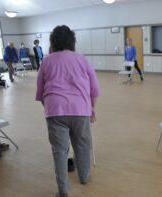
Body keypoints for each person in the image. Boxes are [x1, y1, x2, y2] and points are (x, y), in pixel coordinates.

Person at [35, 25, 100, 197]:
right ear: (72, 41)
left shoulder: (46, 61)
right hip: (81, 110)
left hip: (54, 111)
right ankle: (84, 177)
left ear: (53, 42)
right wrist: (91, 108)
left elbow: (41, 92)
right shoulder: (82, 59)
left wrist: (51, 108)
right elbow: (94, 88)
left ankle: (63, 191)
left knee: (60, 151)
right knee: (83, 145)